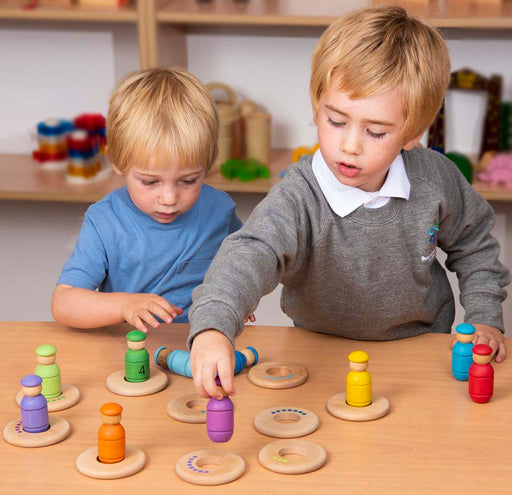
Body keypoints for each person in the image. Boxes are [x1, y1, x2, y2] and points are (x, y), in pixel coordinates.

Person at [188, 6, 510, 399]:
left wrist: (485, 319)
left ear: (412, 134)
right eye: (336, 121)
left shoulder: (435, 179)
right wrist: (213, 326)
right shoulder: (298, 195)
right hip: (320, 355)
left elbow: (475, 246)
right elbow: (250, 254)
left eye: (375, 132)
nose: (350, 146)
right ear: (316, 105)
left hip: (420, 353)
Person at [51, 67, 242, 332]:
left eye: (188, 181)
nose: (169, 198)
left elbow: (243, 266)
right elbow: (64, 303)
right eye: (150, 182)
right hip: (132, 355)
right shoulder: (104, 221)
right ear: (117, 161)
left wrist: (240, 297)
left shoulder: (220, 209)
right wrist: (123, 306)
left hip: (202, 346)